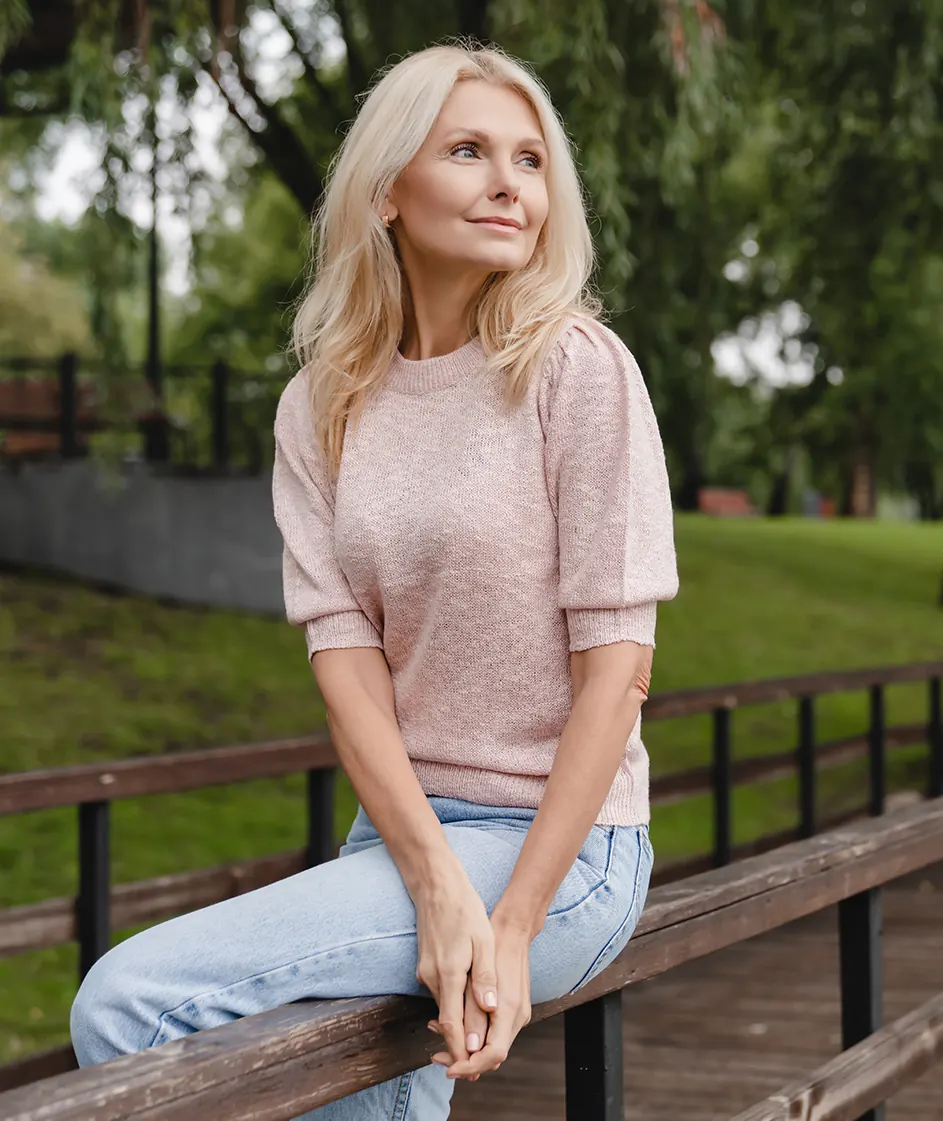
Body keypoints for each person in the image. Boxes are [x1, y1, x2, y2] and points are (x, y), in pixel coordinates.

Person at [69, 39, 679, 1120]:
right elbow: (346, 668)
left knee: (132, 1004)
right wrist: (435, 885)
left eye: (531, 159)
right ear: (389, 187)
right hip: (395, 838)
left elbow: (617, 671)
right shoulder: (322, 403)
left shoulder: (573, 370)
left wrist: (510, 917)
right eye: (467, 150)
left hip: (564, 848)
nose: (509, 183)